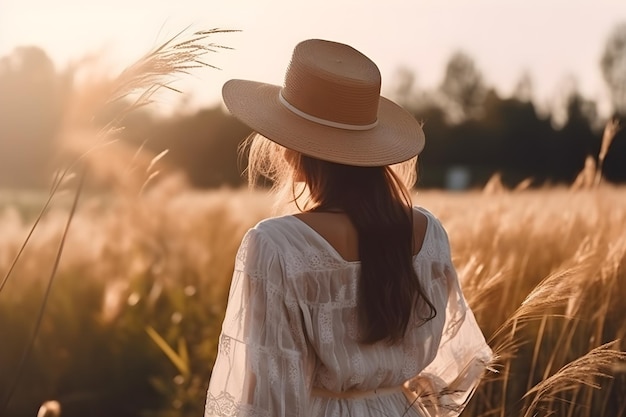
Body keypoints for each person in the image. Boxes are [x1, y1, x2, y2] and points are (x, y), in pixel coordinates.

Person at [205, 39, 492, 417]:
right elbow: (456, 364)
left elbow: (267, 395)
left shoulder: (274, 245)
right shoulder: (428, 233)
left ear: (292, 149)